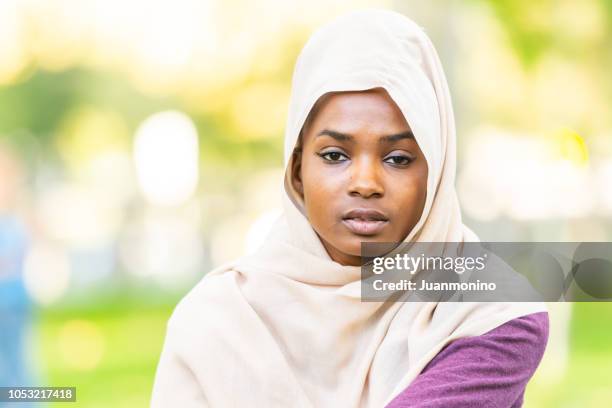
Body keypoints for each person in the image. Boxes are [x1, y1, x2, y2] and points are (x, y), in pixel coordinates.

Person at [151, 9, 548, 407]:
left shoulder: (494, 314)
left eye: (398, 159)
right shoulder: (217, 320)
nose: (365, 183)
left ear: (437, 173)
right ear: (297, 169)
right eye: (335, 154)